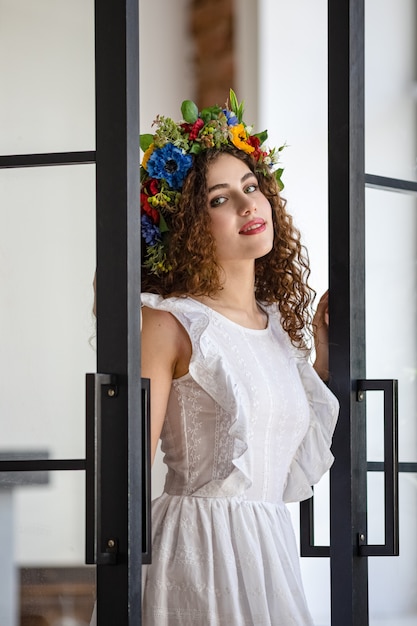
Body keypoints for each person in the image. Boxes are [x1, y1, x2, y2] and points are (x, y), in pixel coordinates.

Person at [138, 90, 339, 626]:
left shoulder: (277, 326)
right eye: (219, 198)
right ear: (186, 226)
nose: (250, 205)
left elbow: (288, 449)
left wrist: (321, 356)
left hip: (269, 551)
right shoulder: (168, 322)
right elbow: (125, 473)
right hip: (195, 559)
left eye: (251, 187)